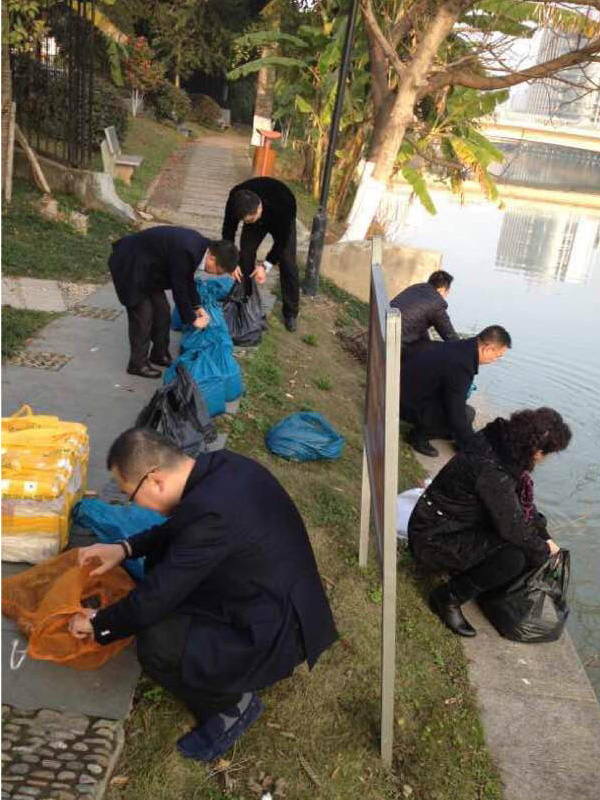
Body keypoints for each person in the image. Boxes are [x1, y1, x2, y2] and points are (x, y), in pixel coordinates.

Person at [67, 428, 338, 761]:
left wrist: (99, 624)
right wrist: (124, 548)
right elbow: (177, 528)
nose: (132, 503)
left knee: (157, 641)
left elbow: (152, 601)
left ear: (155, 480)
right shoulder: (222, 468)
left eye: (130, 494)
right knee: (160, 566)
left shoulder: (213, 514)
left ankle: (229, 706)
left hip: (277, 630)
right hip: (267, 594)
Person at [408, 407, 571, 637]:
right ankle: (447, 597)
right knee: (515, 557)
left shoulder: (498, 443)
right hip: (433, 537)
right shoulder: (493, 470)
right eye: (547, 454)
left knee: (524, 544)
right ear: (536, 451)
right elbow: (513, 527)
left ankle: (476, 582)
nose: (544, 460)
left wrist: (544, 535)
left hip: (442, 520)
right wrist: (544, 551)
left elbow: (518, 507)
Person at [109, 226, 239, 378]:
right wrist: (192, 319)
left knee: (162, 312)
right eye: (218, 271)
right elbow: (180, 288)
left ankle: (159, 354)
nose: (215, 274)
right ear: (212, 258)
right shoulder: (188, 250)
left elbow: (188, 278)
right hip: (130, 264)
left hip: (149, 269)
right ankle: (137, 364)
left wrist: (197, 307)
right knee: (143, 316)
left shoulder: (201, 248)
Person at [401, 325, 512, 457]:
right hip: (406, 403)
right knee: (465, 415)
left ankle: (446, 432)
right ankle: (417, 436)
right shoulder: (462, 364)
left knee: (467, 413)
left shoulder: (460, 346)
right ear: (487, 349)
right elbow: (456, 412)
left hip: (407, 390)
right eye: (497, 356)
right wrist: (474, 447)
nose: (495, 360)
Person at [222, 177, 299, 332]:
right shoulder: (235, 200)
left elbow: (281, 242)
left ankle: (290, 312)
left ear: (258, 208)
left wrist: (265, 266)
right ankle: (246, 297)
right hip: (255, 213)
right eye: (247, 221)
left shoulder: (285, 205)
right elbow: (228, 231)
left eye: (253, 219)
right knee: (246, 253)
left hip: (280, 218)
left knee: (288, 263)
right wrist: (231, 261)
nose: (250, 222)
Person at [390, 270, 459, 359]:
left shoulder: (416, 288)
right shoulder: (436, 303)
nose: (446, 295)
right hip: (396, 345)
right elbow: (449, 335)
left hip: (385, 332)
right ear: (441, 290)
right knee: (438, 352)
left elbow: (418, 321)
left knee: (427, 343)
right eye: (447, 292)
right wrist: (465, 350)